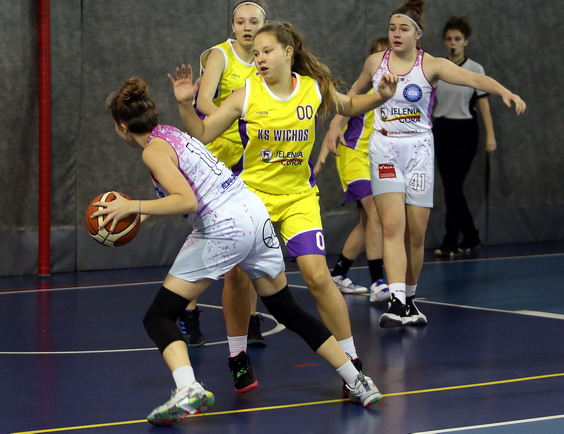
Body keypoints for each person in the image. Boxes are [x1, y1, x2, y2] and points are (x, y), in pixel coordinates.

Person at [95, 77, 383, 426]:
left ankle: (188, 388)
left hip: (224, 226)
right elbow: (191, 186)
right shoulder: (169, 134)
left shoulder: (151, 151)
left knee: (158, 317)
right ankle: (357, 380)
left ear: (122, 127)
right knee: (287, 309)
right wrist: (141, 213)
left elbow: (185, 200)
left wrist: (132, 206)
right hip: (252, 212)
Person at [169, 21, 398, 393]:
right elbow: (203, 132)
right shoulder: (246, 94)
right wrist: (184, 105)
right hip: (252, 197)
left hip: (298, 197)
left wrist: (381, 96)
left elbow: (352, 104)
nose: (259, 58)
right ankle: (238, 356)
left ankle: (351, 361)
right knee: (238, 276)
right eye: (256, 53)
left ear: (287, 52)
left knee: (317, 277)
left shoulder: (313, 88)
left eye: (266, 51)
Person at [326, 0, 526, 329]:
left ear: (418, 34)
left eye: (403, 28)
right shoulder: (376, 62)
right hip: (385, 149)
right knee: (393, 226)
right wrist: (335, 124)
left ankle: (410, 299)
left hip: (418, 149)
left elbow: (474, 80)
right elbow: (353, 96)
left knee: (415, 235)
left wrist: (505, 91)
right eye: (392, 28)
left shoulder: (431, 65)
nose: (396, 33)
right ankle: (396, 301)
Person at [183, 0, 269, 352]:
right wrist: (236, 114)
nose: (247, 27)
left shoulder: (268, 58)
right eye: (241, 21)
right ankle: (188, 312)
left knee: (249, 239)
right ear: (233, 26)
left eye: (254, 22)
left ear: (263, 26)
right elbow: (203, 102)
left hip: (251, 158)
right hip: (218, 155)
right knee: (208, 237)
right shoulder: (221, 55)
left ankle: (251, 320)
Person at [315, 37, 390, 300]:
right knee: (375, 215)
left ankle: (338, 274)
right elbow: (335, 125)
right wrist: (320, 160)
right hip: (353, 160)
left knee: (367, 222)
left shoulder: (393, 93)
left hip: (375, 161)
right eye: (377, 56)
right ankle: (378, 281)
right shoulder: (360, 94)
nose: (382, 61)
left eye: (387, 55)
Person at [432, 16, 495, 257]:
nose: (453, 43)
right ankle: (471, 235)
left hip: (465, 131)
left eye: (457, 39)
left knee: (453, 185)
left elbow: (484, 103)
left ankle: (450, 240)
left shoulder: (475, 69)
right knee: (451, 187)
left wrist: (490, 136)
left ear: (465, 41)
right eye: (449, 39)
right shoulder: (438, 68)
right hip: (441, 129)